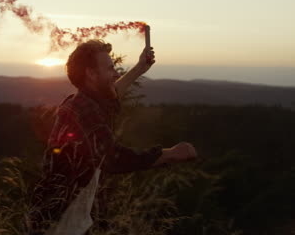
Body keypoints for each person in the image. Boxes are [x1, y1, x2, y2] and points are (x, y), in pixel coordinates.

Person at [28, 39, 197, 233]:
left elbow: (111, 95)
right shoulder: (83, 110)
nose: (116, 73)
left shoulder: (81, 101)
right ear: (91, 74)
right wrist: (170, 154)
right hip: (62, 223)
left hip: (62, 218)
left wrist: (140, 68)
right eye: (110, 68)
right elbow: (113, 158)